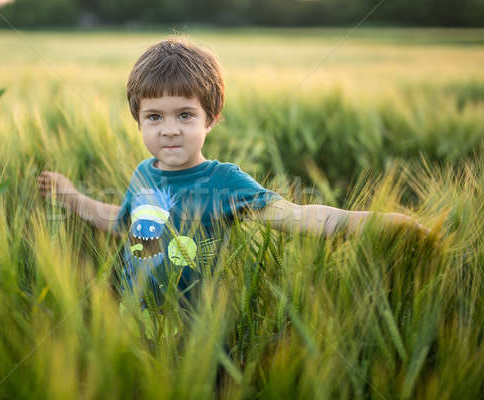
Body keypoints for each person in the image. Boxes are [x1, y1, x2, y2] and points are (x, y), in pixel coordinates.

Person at [36, 37, 430, 310]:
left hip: (196, 338)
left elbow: (297, 216)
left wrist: (383, 222)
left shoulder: (225, 182)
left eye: (185, 115)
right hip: (132, 323)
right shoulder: (143, 173)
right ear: (137, 120)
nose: (169, 129)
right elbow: (122, 223)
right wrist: (70, 196)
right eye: (154, 117)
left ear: (211, 118)